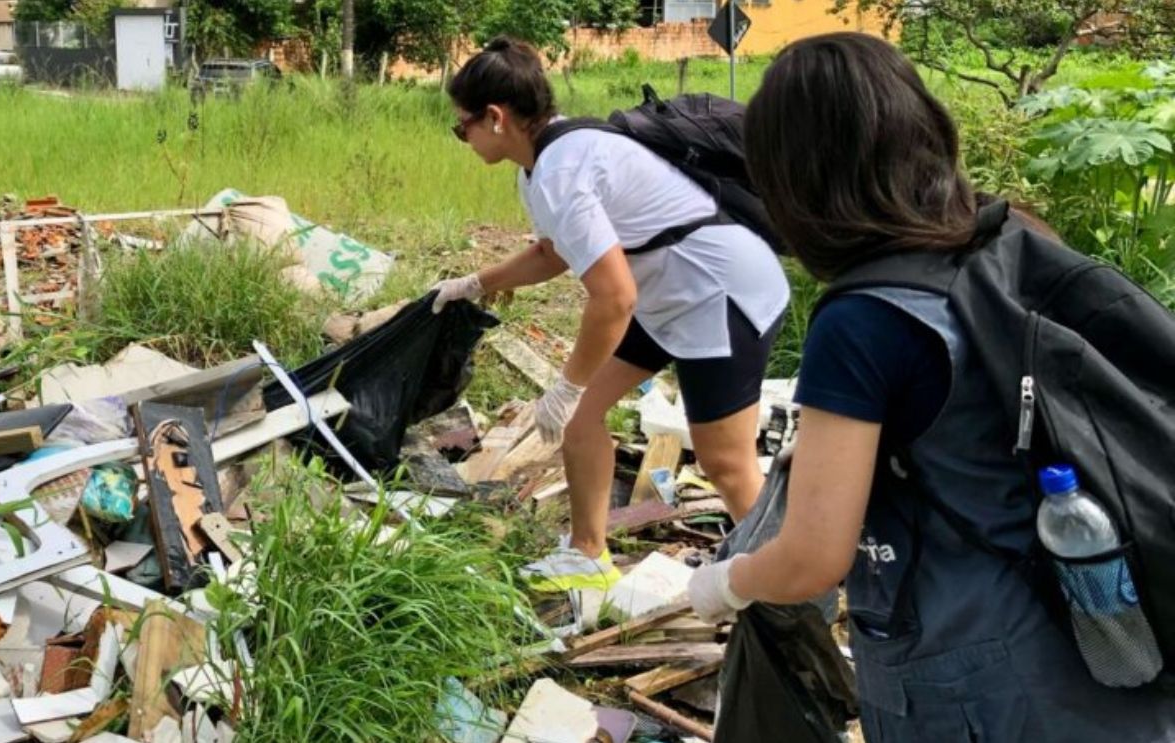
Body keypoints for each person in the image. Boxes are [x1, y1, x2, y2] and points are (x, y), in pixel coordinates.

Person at [685, 32, 1175, 740]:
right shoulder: (1011, 241)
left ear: (797, 180)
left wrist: (726, 582)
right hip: (1101, 639)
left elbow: (814, 555)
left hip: (979, 679)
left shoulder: (863, 321)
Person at [433, 38, 790, 592]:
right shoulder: (544, 163)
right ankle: (588, 555)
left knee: (724, 460)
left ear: (496, 118)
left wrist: (568, 383)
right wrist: (479, 283)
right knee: (582, 422)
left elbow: (613, 297)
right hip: (670, 294)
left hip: (720, 293)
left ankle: (796, 591)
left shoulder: (561, 170)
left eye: (463, 128)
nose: (464, 139)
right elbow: (554, 252)